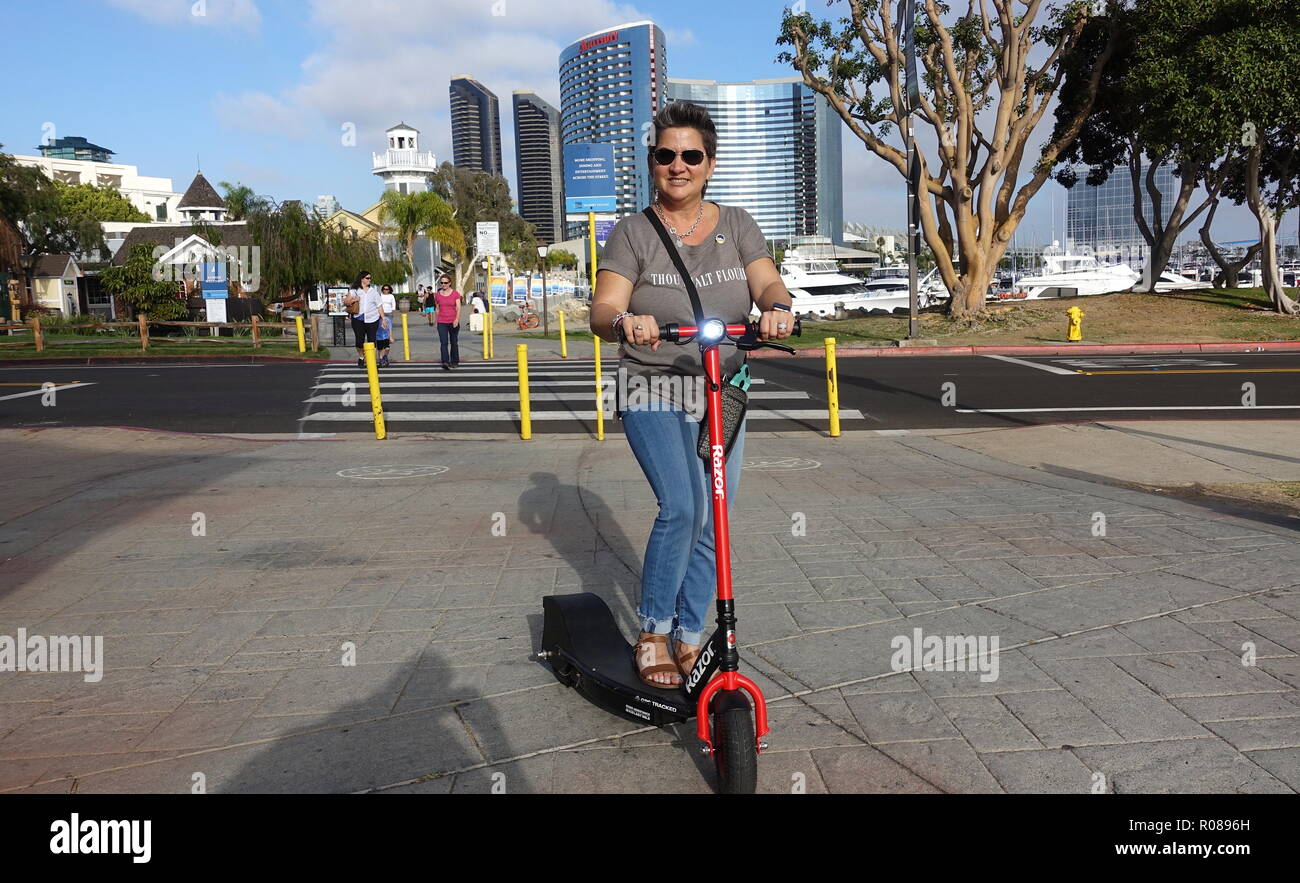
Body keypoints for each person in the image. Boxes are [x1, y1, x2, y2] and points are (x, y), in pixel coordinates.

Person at [590, 101, 795, 688]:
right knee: (682, 507)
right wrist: (625, 320)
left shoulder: (738, 224)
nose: (677, 166)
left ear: (709, 163)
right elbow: (602, 308)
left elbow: (767, 282)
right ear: (653, 162)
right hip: (651, 383)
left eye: (690, 155)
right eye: (665, 155)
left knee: (713, 519)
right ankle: (652, 630)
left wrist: (778, 308)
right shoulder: (634, 231)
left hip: (723, 386)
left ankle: (687, 634)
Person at [344, 270, 387, 368]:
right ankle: (361, 357)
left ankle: (371, 361)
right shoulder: (354, 290)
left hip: (372, 319)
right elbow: (346, 302)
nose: (369, 280)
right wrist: (355, 299)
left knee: (372, 341)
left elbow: (379, 306)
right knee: (359, 342)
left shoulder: (374, 291)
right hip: (358, 319)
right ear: (361, 279)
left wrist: (383, 319)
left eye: (370, 278)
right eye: (367, 278)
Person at [433, 274, 462, 370]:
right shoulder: (437, 295)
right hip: (442, 322)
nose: (443, 284)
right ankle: (445, 361)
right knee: (443, 342)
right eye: (441, 283)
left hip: (453, 321)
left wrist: (457, 319)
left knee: (454, 342)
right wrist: (436, 321)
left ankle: (454, 361)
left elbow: (458, 307)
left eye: (445, 283)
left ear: (449, 283)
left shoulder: (455, 294)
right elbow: (437, 308)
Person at [375, 284, 397, 367]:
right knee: (380, 327)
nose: (385, 290)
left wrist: (392, 311)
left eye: (387, 289)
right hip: (381, 313)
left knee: (388, 327)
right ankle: (381, 359)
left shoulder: (391, 296)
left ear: (389, 290)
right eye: (384, 289)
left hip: (389, 313)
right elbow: (378, 305)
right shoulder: (380, 296)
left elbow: (393, 305)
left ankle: (388, 338)